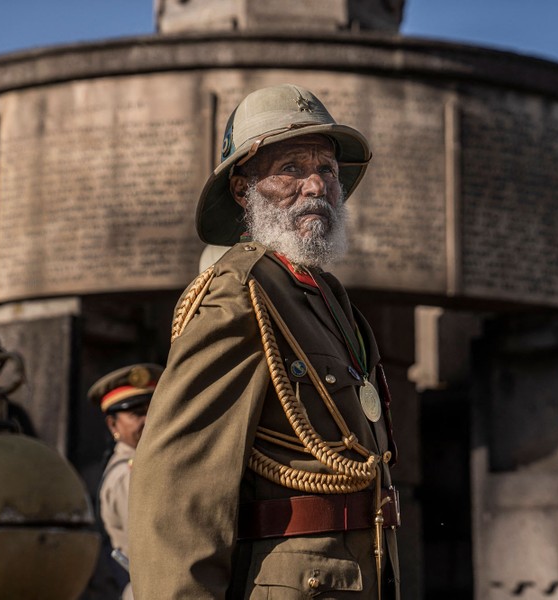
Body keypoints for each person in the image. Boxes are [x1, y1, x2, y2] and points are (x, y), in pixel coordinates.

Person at [129, 84, 401, 598]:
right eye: (291, 170)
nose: (316, 185)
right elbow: (175, 488)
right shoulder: (239, 290)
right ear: (243, 189)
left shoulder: (328, 298)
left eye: (327, 169)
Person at [89, 363, 163, 600]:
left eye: (152, 410)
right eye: (136, 414)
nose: (147, 420)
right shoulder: (127, 475)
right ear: (113, 425)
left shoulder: (147, 464)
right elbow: (152, 547)